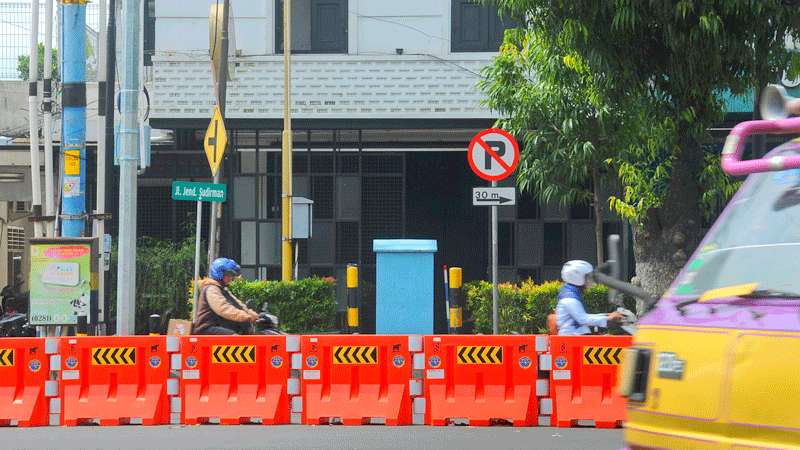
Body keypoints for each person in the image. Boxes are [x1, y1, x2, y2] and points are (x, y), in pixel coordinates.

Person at [193, 258, 260, 335]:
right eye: (228, 275)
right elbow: (224, 309)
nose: (231, 278)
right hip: (206, 328)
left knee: (244, 329)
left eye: (232, 275)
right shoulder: (211, 289)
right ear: (219, 273)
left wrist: (252, 314)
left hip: (218, 326)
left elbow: (237, 304)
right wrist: (246, 316)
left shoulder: (222, 288)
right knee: (236, 339)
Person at [555, 260, 623, 335]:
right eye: (587, 277)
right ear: (577, 278)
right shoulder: (569, 298)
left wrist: (608, 315)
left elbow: (584, 317)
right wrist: (608, 319)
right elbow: (583, 319)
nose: (590, 280)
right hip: (572, 340)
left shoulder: (572, 294)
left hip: (577, 337)